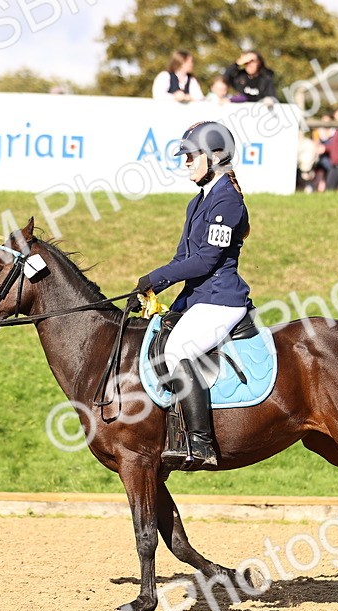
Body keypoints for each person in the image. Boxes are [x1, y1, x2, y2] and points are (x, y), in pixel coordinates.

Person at [133, 121, 252, 468]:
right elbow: (182, 259)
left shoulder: (228, 202)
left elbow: (206, 260)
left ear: (216, 157)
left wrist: (156, 276)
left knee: (177, 349)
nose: (185, 161)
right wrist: (151, 286)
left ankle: (201, 444)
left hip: (221, 299)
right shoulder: (197, 201)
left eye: (190, 155)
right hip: (199, 298)